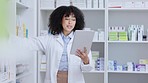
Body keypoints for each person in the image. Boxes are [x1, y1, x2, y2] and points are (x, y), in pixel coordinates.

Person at [10, 5, 93, 83]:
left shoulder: (82, 39)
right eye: (67, 18)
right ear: (60, 20)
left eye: (73, 19)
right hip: (54, 79)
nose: (70, 22)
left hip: (75, 79)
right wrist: (8, 37)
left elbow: (88, 69)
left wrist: (85, 60)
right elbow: (28, 43)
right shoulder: (49, 39)